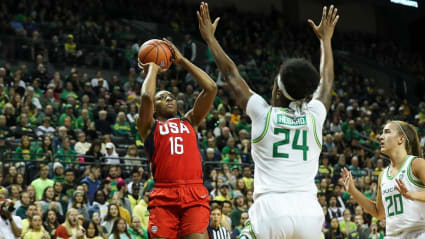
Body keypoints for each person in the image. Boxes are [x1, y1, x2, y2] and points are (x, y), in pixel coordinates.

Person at [198, 2, 339, 239]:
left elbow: (231, 74)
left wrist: (211, 40)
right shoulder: (316, 115)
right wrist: (326, 41)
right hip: (310, 214)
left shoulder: (263, 113)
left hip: (272, 211)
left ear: (277, 91)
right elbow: (326, 83)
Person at [137, 37, 217, 239]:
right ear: (154, 109)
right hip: (164, 194)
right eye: (161, 97)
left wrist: (182, 61)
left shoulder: (190, 121)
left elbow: (211, 88)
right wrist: (153, 68)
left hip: (194, 192)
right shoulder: (149, 126)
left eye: (170, 96)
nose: (168, 98)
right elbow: (146, 97)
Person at [342, 121, 425, 238]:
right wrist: (352, 190)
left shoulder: (416, 164)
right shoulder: (383, 175)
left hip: (418, 233)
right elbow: (379, 213)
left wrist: (412, 195)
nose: (380, 137)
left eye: (387, 132)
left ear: (401, 139)